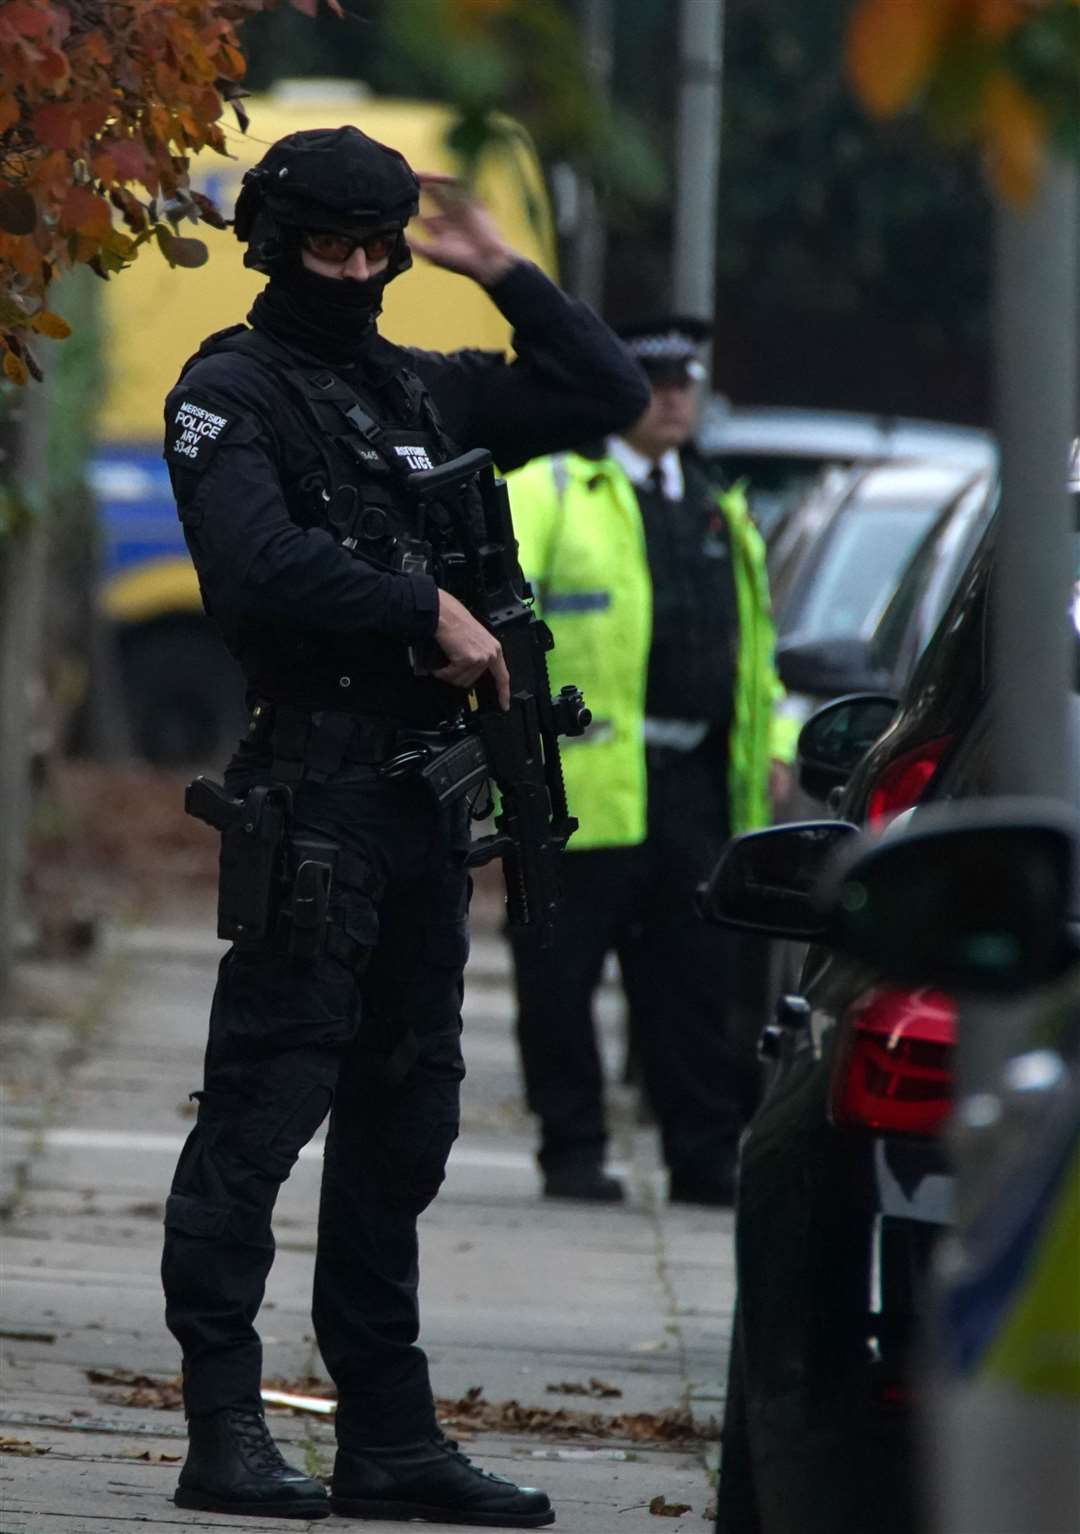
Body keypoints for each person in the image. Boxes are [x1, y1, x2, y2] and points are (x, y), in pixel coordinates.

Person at [159, 124, 649, 1524]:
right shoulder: (231, 392)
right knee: (259, 1119)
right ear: (276, 243)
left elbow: (601, 392)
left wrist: (507, 273)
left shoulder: (418, 390)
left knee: (407, 1117)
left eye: (380, 250)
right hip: (313, 801)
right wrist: (412, 605)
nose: (363, 270)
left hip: (425, 810)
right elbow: (255, 560)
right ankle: (224, 1426)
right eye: (334, 249)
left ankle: (389, 1432)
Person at [505, 315, 796, 1206]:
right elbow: (494, 619)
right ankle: (574, 1149)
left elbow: (760, 656)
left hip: (695, 786)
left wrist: (776, 749)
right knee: (559, 981)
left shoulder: (720, 505)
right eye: (654, 383)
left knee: (694, 989)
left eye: (686, 384)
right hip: (576, 786)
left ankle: (702, 1157)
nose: (673, 399)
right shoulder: (556, 490)